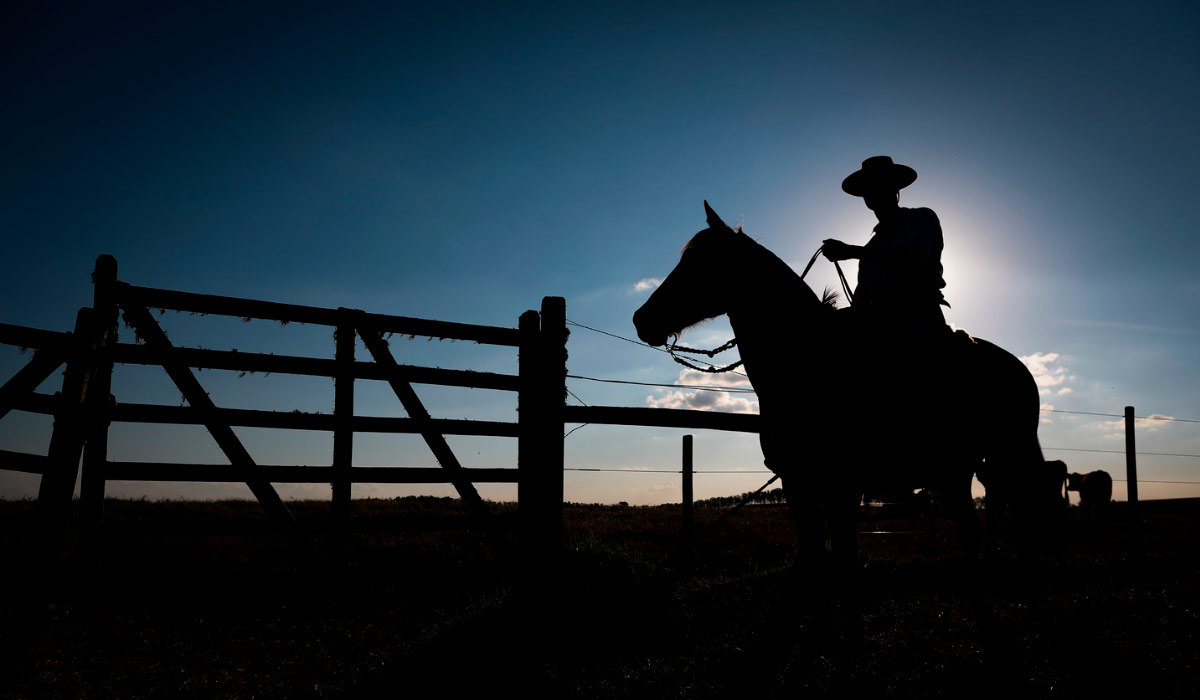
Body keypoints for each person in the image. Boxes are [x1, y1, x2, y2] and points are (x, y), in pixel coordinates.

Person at [821, 156, 950, 356]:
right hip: (878, 324)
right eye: (869, 188)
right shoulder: (870, 250)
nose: (875, 192)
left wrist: (851, 251)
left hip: (920, 317)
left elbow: (911, 258)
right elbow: (861, 304)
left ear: (894, 189)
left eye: (881, 184)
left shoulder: (922, 218)